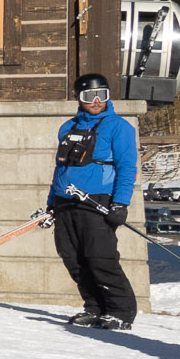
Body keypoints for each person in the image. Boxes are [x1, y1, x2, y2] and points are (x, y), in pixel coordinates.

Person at [49, 72, 139, 331]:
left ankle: (120, 310)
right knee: (72, 257)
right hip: (66, 199)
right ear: (78, 98)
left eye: (103, 95)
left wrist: (120, 203)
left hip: (97, 200)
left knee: (100, 257)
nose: (97, 100)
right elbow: (60, 168)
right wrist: (52, 202)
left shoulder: (119, 127)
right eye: (90, 96)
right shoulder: (68, 128)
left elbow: (127, 167)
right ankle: (95, 306)